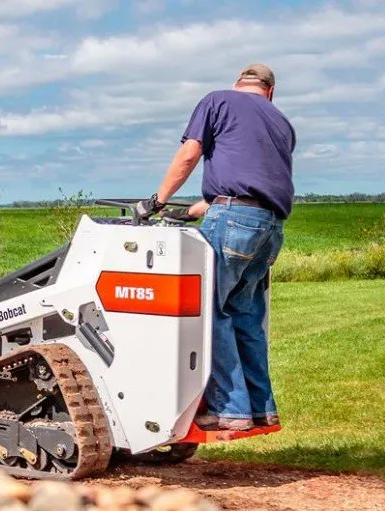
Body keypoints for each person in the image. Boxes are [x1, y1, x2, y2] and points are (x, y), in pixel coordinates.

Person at [136, 64, 296, 431]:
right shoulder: (281, 123)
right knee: (246, 316)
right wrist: (191, 211)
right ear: (270, 91)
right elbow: (253, 185)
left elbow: (190, 155)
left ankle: (231, 410)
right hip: (269, 228)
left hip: (233, 221)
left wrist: (157, 202)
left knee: (210, 312)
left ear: (237, 85)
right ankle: (261, 407)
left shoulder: (217, 101)